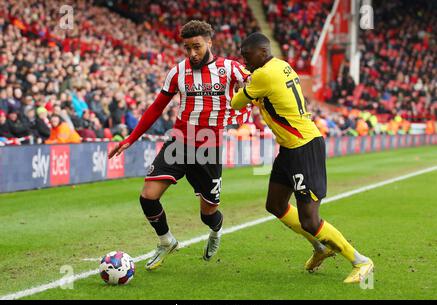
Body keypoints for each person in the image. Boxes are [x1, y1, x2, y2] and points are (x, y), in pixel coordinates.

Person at [231, 32, 373, 284]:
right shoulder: (282, 65)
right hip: (289, 148)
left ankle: (360, 260)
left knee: (310, 219)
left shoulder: (263, 74)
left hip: (303, 146)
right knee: (275, 205)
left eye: (246, 54)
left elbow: (236, 103)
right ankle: (321, 248)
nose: (243, 60)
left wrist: (240, 87)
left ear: (262, 52)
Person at [108, 20, 251, 270]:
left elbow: (258, 83)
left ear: (209, 42)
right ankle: (166, 241)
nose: (192, 53)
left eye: (196, 46)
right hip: (179, 143)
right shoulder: (177, 72)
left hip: (209, 148)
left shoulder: (230, 69)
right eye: (187, 48)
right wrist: (131, 138)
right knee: (148, 197)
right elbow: (156, 107)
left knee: (207, 214)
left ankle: (216, 230)